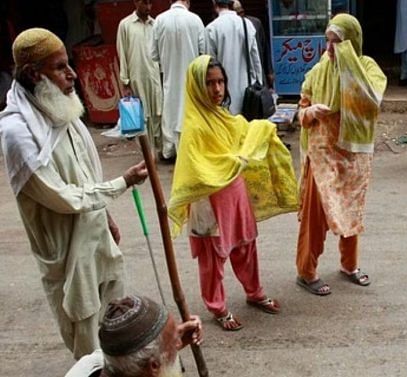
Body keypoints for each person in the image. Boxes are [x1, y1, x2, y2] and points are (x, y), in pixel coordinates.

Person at [0, 28, 148, 359]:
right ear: (33, 74)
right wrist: (121, 183)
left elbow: (85, 173)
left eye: (69, 65)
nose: (72, 75)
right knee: (87, 345)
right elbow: (62, 196)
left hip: (97, 239)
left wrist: (104, 216)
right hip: (67, 256)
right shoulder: (17, 133)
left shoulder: (63, 108)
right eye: (60, 67)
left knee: (115, 329)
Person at [168, 55, 298, 330]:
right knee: (212, 258)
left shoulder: (223, 116)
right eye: (209, 83)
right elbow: (197, 168)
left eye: (221, 82)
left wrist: (264, 127)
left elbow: (244, 130)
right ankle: (217, 308)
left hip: (235, 195)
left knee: (246, 246)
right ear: (195, 87)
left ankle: (255, 292)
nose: (217, 90)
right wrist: (235, 160)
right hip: (208, 204)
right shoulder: (194, 126)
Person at [294, 14, 386, 296]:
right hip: (321, 154)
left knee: (350, 211)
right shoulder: (319, 70)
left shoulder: (367, 68)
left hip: (352, 155)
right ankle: (306, 271)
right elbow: (301, 108)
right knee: (315, 216)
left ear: (352, 43)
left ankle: (349, 265)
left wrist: (350, 70)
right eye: (328, 41)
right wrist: (309, 113)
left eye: (338, 42)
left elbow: (372, 100)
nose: (331, 49)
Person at [64, 295, 203, 377]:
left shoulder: (104, 361)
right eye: (175, 341)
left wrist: (170, 341)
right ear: (154, 366)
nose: (180, 342)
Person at [150, 0, 204, 160]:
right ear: (187, 1)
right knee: (191, 112)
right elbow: (204, 52)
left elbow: (153, 54)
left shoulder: (159, 20)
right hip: (192, 78)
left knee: (171, 113)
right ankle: (191, 151)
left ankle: (170, 151)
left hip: (169, 76)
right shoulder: (195, 20)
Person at [201, 0, 263, 115]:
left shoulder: (211, 29)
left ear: (215, 4)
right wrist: (259, 84)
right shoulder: (247, 24)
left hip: (223, 92)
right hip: (248, 95)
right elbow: (256, 60)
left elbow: (210, 65)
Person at [116, 0, 163, 153]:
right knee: (141, 117)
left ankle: (157, 150)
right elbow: (122, 53)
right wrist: (125, 82)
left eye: (150, 3)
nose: (148, 7)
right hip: (136, 78)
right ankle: (147, 154)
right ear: (136, 2)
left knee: (157, 114)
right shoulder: (125, 25)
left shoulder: (155, 24)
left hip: (154, 77)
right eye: (144, 3)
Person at [233, 0, 274, 89]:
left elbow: (265, 48)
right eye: (237, 13)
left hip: (258, 70)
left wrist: (269, 71)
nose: (240, 15)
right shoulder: (231, 28)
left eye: (241, 12)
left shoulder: (255, 23)